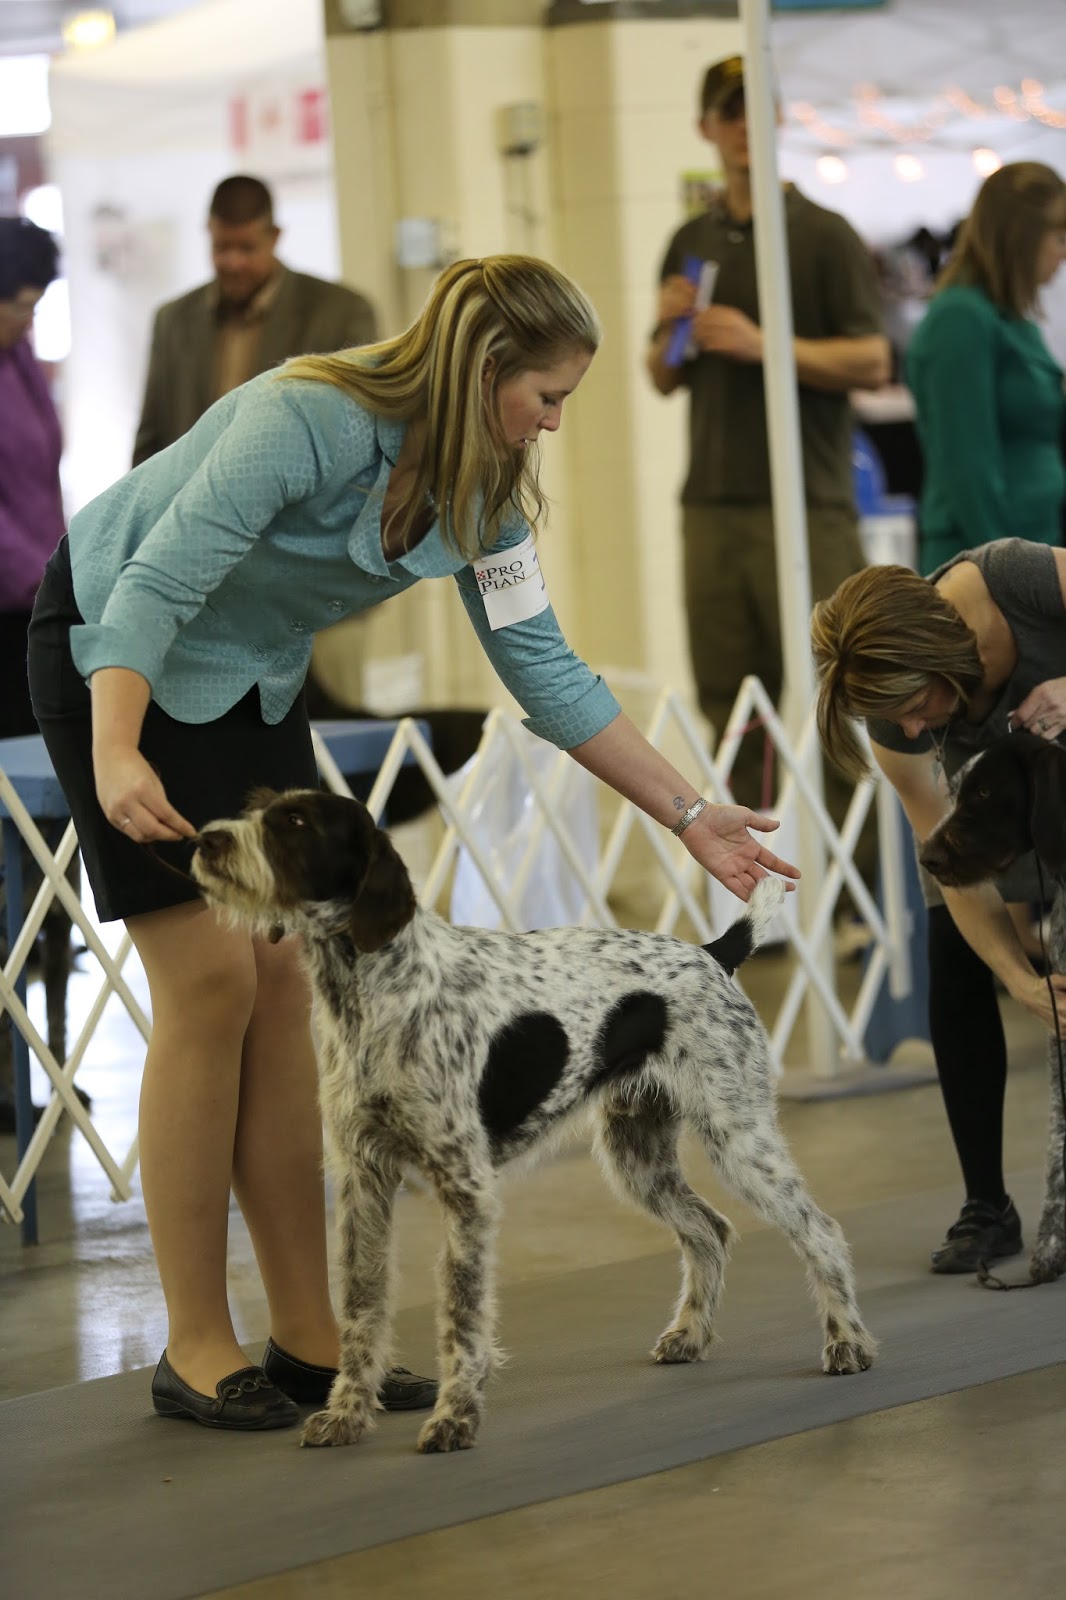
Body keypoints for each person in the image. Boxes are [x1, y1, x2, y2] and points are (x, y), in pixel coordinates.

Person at [28, 254, 800, 1431]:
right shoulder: (306, 420)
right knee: (211, 982)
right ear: (485, 370)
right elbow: (158, 579)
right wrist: (115, 747)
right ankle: (192, 1340)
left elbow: (544, 673)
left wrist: (690, 815)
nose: (551, 424)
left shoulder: (485, 495)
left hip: (247, 679)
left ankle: (306, 1329)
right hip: (115, 643)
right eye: (546, 397)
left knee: (286, 984)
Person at [647, 55, 890, 837]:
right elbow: (660, 376)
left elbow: (871, 360)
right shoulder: (691, 237)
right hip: (712, 506)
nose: (746, 126)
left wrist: (765, 344)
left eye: (759, 109)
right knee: (731, 703)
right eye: (730, 111)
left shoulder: (823, 235)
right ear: (706, 129)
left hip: (809, 502)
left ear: (780, 121)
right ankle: (760, 890)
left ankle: (854, 903)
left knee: (836, 692)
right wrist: (669, 332)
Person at [811, 539, 1066, 1274]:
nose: (916, 729)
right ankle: (986, 1206)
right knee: (952, 956)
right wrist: (1017, 977)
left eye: (917, 704)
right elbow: (949, 861)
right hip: (995, 809)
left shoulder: (1017, 578)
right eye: (896, 719)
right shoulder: (895, 720)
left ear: (936, 653)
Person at [132, 174, 377, 466]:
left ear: (274, 237)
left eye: (247, 248)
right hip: (191, 505)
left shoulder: (341, 313)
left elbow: (362, 435)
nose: (234, 262)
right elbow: (150, 439)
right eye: (221, 248)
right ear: (208, 232)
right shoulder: (172, 321)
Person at [906, 161, 1066, 579]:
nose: (1063, 251)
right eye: (1058, 235)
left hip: (1031, 547)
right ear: (1020, 234)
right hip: (982, 564)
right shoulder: (961, 318)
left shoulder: (1013, 319)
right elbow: (968, 468)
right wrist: (1008, 579)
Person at [0, 216, 64, 739]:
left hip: (33, 598)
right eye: (21, 306)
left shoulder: (17, 354)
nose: (29, 320)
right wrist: (40, 574)